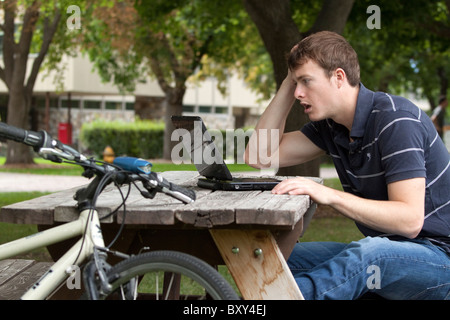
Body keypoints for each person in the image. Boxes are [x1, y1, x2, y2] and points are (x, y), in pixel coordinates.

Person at [244, 31, 450, 300]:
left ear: (338, 77)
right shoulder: (332, 128)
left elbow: (409, 220)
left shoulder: (395, 120)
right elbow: (259, 155)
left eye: (306, 81)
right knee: (270, 257)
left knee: (370, 254)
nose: (298, 93)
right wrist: (287, 80)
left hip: (438, 258)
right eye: (296, 83)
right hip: (390, 249)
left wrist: (330, 195)